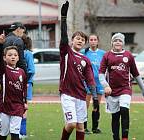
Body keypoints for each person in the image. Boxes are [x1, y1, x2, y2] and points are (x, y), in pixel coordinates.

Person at [98, 32, 144, 140]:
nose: (117, 42)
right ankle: (115, 137)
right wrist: (105, 86)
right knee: (115, 116)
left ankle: (125, 137)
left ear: (123, 43)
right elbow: (101, 74)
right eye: (115, 40)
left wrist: (143, 89)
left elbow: (135, 73)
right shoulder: (107, 55)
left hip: (125, 89)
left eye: (120, 40)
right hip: (111, 91)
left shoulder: (128, 55)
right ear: (112, 43)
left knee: (124, 109)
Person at [60, 1, 96, 140]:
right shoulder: (66, 52)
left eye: (82, 40)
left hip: (81, 95)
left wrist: (95, 97)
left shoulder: (85, 59)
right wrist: (63, 17)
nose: (80, 41)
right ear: (72, 40)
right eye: (78, 39)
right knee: (71, 123)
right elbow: (63, 36)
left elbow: (90, 79)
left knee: (80, 126)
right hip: (67, 94)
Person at [0, 34, 27, 140]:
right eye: (9, 55)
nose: (12, 57)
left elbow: (24, 89)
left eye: (15, 55)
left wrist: (25, 102)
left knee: (15, 135)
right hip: (5, 108)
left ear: (18, 57)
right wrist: (0, 45)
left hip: (18, 108)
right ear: (4, 58)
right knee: (3, 135)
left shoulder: (22, 72)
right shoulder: (3, 70)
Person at [81, 34, 105, 134]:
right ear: (88, 42)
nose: (93, 41)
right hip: (87, 82)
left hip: (99, 83)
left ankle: (95, 128)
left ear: (98, 41)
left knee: (96, 105)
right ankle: (84, 127)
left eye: (95, 39)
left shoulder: (103, 53)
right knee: (85, 105)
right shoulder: (84, 52)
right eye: (91, 39)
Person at [19, 34, 35, 138]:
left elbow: (32, 70)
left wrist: (26, 82)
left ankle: (23, 132)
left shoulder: (28, 54)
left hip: (26, 84)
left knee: (24, 106)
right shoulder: (17, 54)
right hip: (16, 83)